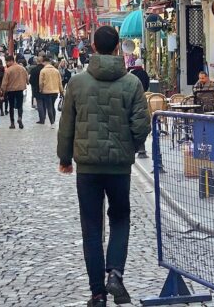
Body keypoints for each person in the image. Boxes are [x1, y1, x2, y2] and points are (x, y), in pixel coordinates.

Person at [58, 26, 150, 307]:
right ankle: (115, 273)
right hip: (119, 167)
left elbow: (66, 125)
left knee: (91, 226)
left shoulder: (77, 82)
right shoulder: (132, 83)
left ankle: (97, 293)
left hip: (87, 167)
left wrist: (64, 158)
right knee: (120, 218)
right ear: (117, 49)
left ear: (94, 48)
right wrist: (130, 147)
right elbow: (142, 124)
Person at [1, 56, 29, 129]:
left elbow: (4, 82)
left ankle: (12, 123)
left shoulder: (8, 70)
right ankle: (20, 117)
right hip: (20, 89)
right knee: (20, 105)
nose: (7, 63)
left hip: (11, 90)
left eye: (7, 62)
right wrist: (26, 83)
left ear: (11, 61)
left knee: (11, 106)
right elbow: (27, 78)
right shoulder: (22, 68)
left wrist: (2, 91)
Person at [37, 54, 63, 127]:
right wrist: (61, 91)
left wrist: (41, 89)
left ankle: (52, 122)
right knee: (52, 105)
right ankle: (53, 121)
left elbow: (41, 82)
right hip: (55, 91)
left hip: (47, 91)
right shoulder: (56, 71)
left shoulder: (43, 71)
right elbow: (59, 82)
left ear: (45, 62)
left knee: (49, 107)